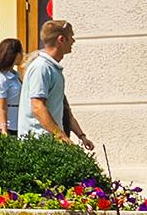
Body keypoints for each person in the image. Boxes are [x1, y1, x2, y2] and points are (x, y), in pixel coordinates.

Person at [18, 18, 93, 153]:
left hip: (48, 142)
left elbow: (63, 108)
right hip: (37, 144)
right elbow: (37, 106)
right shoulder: (41, 67)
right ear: (61, 39)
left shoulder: (52, 68)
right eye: (71, 37)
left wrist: (81, 136)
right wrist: (61, 136)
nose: (73, 41)